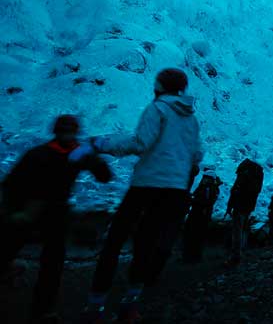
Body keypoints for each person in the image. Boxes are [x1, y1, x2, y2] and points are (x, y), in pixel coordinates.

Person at [83, 68, 203, 323]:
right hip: (174, 190)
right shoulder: (191, 119)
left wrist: (103, 145)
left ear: (159, 86)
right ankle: (130, 305)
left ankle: (96, 306)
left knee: (114, 241)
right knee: (146, 244)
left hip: (147, 184)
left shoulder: (157, 108)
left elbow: (140, 143)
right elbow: (196, 156)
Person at [0, 115, 111, 324]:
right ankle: (43, 311)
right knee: (48, 263)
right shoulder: (53, 154)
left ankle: (43, 309)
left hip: (41, 211)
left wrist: (93, 156)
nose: (69, 136)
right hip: (34, 210)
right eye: (67, 132)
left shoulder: (47, 153)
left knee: (47, 262)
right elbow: (105, 177)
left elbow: (10, 182)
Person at [224, 158, 263, 266]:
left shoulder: (243, 174)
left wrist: (229, 205)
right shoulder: (257, 174)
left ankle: (235, 256)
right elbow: (257, 191)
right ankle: (242, 250)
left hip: (239, 204)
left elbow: (235, 189)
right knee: (244, 227)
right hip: (249, 205)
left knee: (237, 229)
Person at [182, 167, 222, 263]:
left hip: (200, 215)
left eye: (207, 178)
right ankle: (190, 255)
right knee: (194, 234)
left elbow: (206, 202)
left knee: (196, 234)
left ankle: (192, 256)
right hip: (199, 214)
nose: (205, 179)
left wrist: (193, 200)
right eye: (205, 178)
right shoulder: (207, 187)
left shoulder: (209, 188)